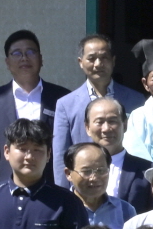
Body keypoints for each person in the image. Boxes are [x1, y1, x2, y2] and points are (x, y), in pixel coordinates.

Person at [0, 29, 65, 187]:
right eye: (16, 53)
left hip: (51, 187)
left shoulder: (61, 98)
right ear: (7, 62)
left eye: (30, 52)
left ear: (41, 59)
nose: (24, 58)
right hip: (3, 188)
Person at [51, 34, 146, 188]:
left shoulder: (135, 100)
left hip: (127, 183)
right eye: (91, 58)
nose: (98, 64)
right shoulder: (66, 104)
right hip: (84, 186)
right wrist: (63, 194)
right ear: (81, 62)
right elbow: (60, 155)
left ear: (113, 61)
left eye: (104, 58)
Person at [80, 96, 153, 217]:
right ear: (87, 127)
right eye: (99, 122)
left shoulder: (147, 170)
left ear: (125, 125)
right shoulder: (75, 169)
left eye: (112, 121)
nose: (106, 129)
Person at [62, 143, 128, 229]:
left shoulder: (125, 209)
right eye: (86, 171)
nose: (94, 178)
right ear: (68, 173)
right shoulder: (59, 209)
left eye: (101, 171)